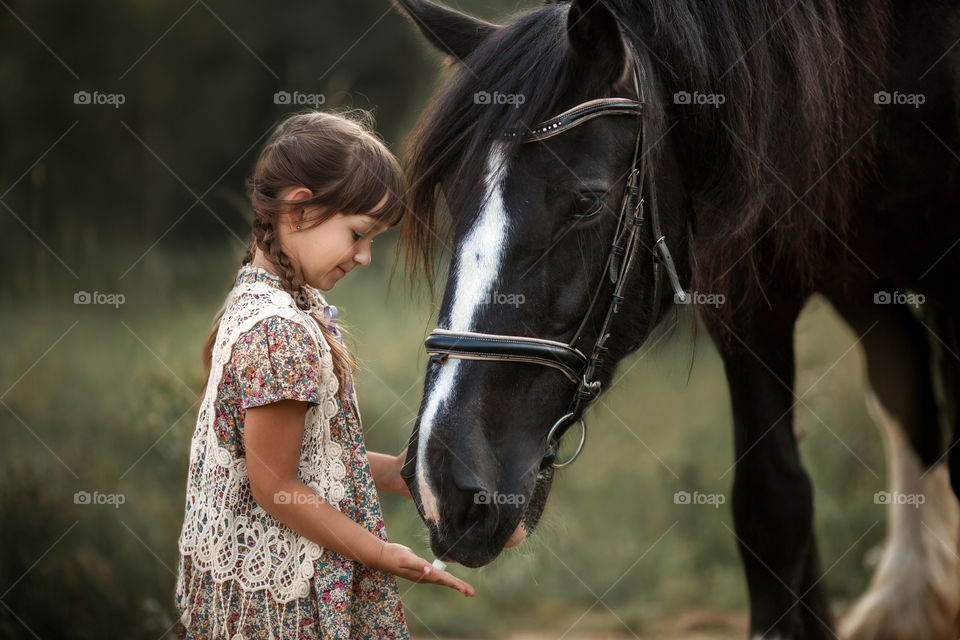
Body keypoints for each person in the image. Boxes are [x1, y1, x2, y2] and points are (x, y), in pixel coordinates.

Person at [173, 110, 473, 640]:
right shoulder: (280, 332)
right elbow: (276, 486)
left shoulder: (264, 300)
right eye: (359, 234)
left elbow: (296, 460)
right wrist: (381, 553)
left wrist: (402, 473)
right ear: (300, 210)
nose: (364, 256)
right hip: (280, 606)